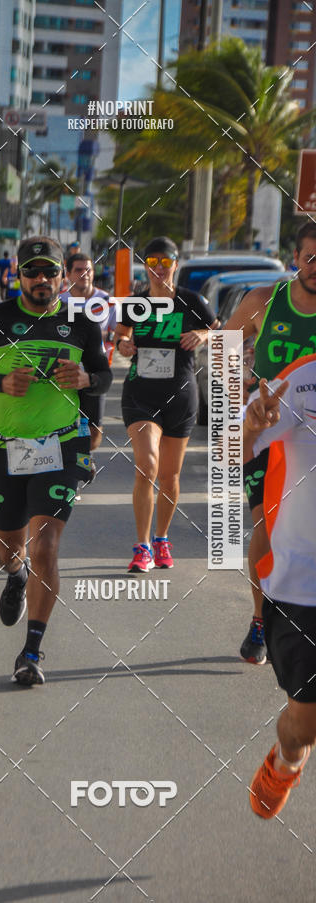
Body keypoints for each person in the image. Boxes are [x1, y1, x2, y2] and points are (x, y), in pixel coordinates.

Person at [0, 235, 112, 686]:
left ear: (64, 277)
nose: (41, 280)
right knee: (8, 549)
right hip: (3, 447)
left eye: (50, 272)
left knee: (46, 547)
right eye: (32, 272)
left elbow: (103, 377)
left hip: (60, 447)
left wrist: (86, 378)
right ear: (16, 275)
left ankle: (32, 650)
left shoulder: (82, 325)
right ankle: (15, 576)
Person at [225, 221, 316, 664]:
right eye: (310, 258)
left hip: (312, 439)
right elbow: (226, 344)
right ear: (294, 259)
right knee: (264, 523)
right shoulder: (264, 302)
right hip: (266, 432)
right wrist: (237, 405)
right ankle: (260, 621)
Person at [114, 236, 218, 573]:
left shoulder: (191, 301)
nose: (159, 269)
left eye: (165, 262)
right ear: (145, 265)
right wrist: (124, 344)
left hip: (181, 393)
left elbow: (220, 331)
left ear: (175, 263)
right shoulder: (135, 303)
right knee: (147, 465)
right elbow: (120, 335)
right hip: (141, 394)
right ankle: (142, 546)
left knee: (171, 476)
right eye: (152, 262)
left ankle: (161, 538)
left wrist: (202, 336)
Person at [242, 359, 316, 818]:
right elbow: (233, 449)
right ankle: (287, 760)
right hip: (301, 584)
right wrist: (251, 426)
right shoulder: (302, 380)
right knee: (305, 728)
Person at [60, 251, 117, 451]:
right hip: (63, 372)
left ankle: (85, 455)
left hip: (94, 372)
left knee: (94, 433)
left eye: (88, 270)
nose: (84, 274)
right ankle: (69, 459)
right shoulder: (59, 301)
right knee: (61, 426)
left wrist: (103, 336)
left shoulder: (106, 300)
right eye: (78, 270)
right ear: (68, 274)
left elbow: (120, 333)